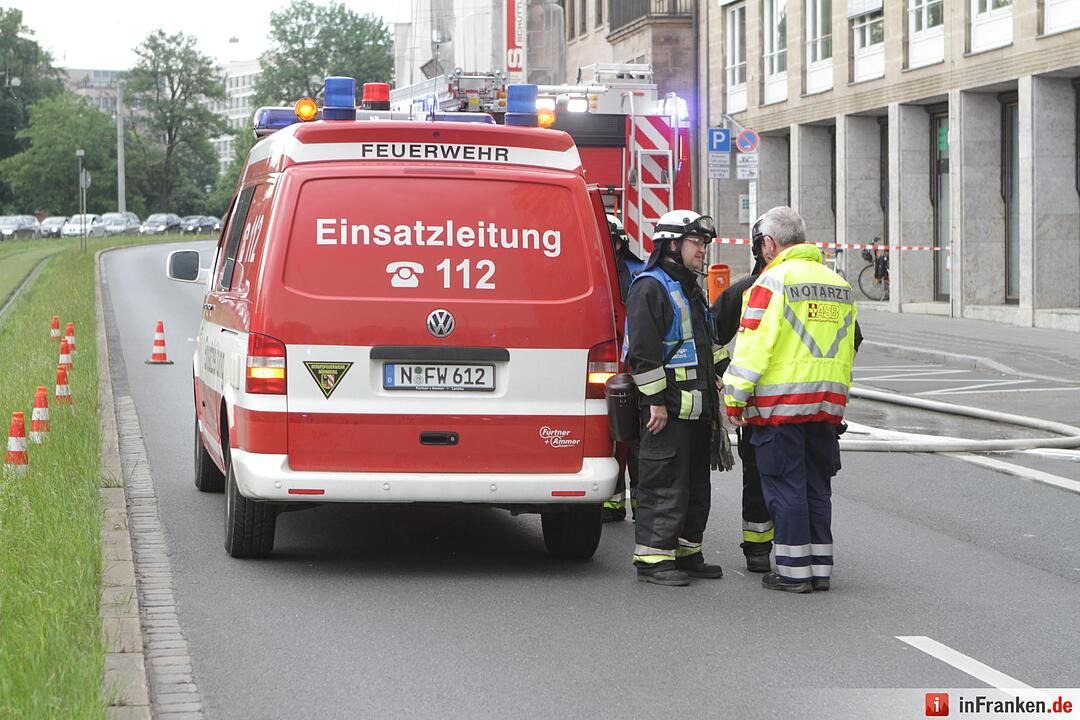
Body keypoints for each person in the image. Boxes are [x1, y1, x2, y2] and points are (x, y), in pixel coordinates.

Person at [712, 221, 864, 574]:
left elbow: (753, 350)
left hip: (779, 407)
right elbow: (850, 342)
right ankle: (819, 569)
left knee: (783, 485)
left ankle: (794, 572)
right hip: (826, 406)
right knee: (816, 488)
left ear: (767, 243)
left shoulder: (769, 284)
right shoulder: (837, 284)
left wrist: (735, 397)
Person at [623, 209, 730, 586]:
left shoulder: (689, 288)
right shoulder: (649, 287)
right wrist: (654, 403)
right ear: (672, 245)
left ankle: (687, 552)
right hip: (665, 411)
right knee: (664, 483)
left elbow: (707, 342)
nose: (702, 250)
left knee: (695, 486)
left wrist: (718, 377)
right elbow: (643, 353)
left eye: (704, 243)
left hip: (698, 409)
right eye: (696, 243)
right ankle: (653, 560)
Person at [605, 214, 646, 522]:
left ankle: (639, 505)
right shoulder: (592, 271)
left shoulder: (638, 275)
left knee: (632, 439)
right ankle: (612, 500)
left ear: (618, 244)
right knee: (608, 435)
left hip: (631, 366)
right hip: (603, 362)